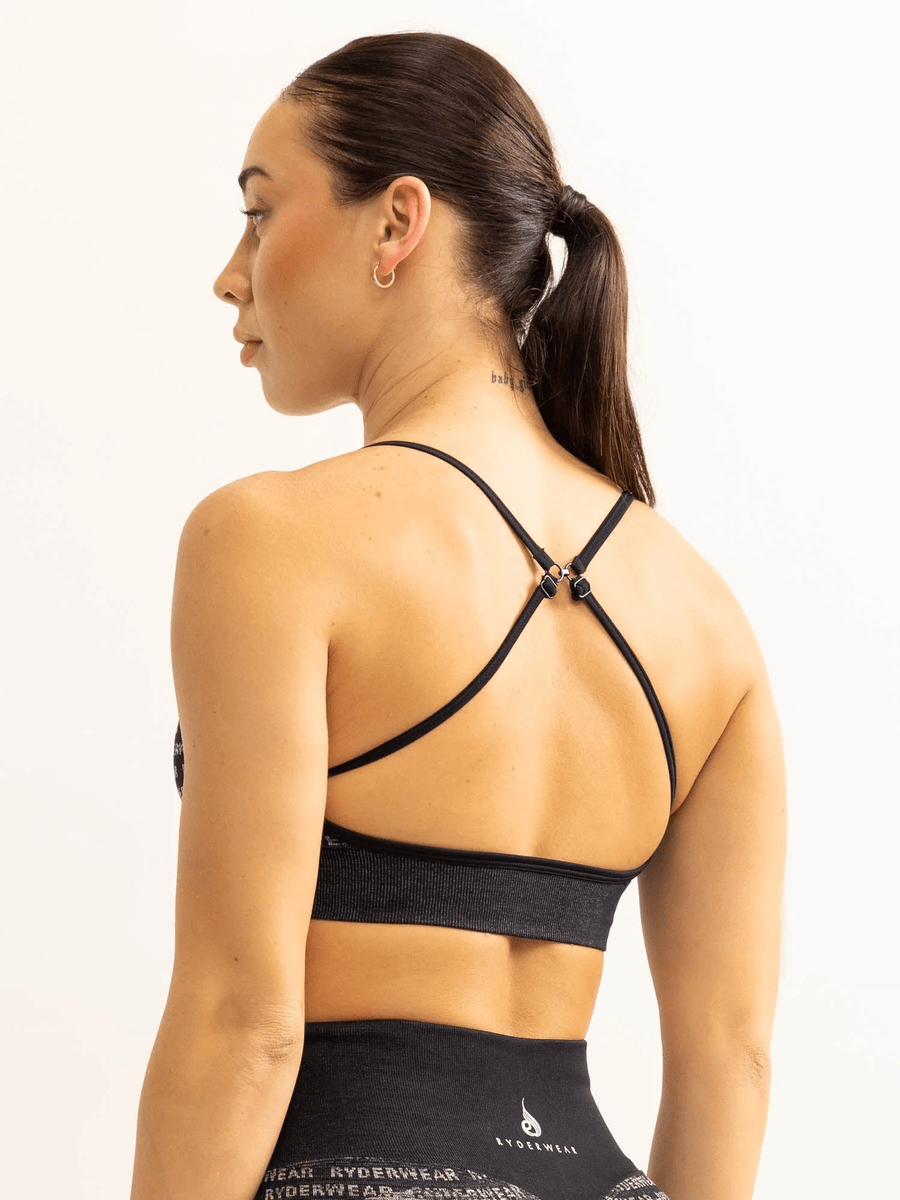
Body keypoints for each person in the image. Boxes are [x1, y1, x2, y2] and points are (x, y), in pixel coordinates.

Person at [130, 31, 787, 1200]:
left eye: (260, 214)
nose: (232, 274)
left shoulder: (269, 544)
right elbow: (731, 1061)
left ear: (398, 223)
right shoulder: (705, 616)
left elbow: (242, 1025)